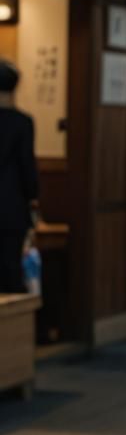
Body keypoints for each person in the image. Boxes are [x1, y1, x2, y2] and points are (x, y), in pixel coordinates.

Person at [0, 59, 39, 294]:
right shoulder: (22, 122)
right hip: (13, 205)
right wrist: (33, 197)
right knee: (11, 268)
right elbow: (27, 166)